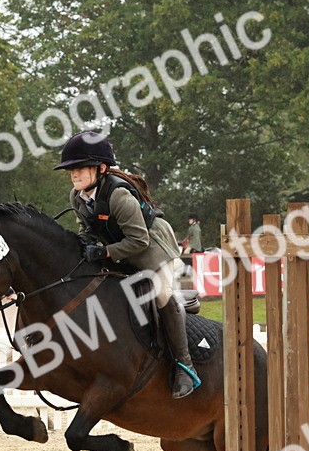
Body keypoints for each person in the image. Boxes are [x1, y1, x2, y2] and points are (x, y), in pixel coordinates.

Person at [54, 131, 200, 398]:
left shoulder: (119, 195)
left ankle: (184, 366)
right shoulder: (76, 197)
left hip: (151, 247)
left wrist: (104, 252)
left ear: (100, 168)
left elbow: (139, 241)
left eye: (79, 169)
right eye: (70, 170)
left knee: (160, 293)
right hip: (119, 246)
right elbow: (85, 229)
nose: (73, 175)